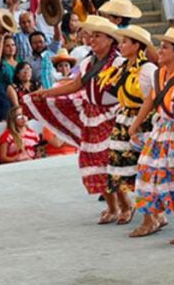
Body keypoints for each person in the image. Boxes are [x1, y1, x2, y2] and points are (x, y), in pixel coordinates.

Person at [24, 17, 119, 214]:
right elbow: (76, 85)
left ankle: (125, 206)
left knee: (110, 161)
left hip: (112, 116)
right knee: (93, 160)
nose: (92, 39)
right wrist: (47, 93)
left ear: (110, 40)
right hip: (92, 116)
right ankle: (112, 207)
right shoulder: (89, 62)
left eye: (98, 36)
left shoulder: (118, 62)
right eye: (91, 36)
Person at [129, 28, 174, 246]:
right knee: (150, 174)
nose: (160, 51)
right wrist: (135, 125)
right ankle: (166, 220)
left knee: (173, 180)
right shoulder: (158, 74)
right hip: (161, 131)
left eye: (166, 48)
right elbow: (150, 101)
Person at [106, 24, 156, 230]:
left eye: (126, 42)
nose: (121, 45)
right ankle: (146, 214)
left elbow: (151, 99)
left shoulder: (148, 69)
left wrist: (136, 125)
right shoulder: (123, 67)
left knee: (145, 170)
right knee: (124, 168)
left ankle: (152, 217)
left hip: (143, 121)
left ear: (137, 46)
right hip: (125, 118)